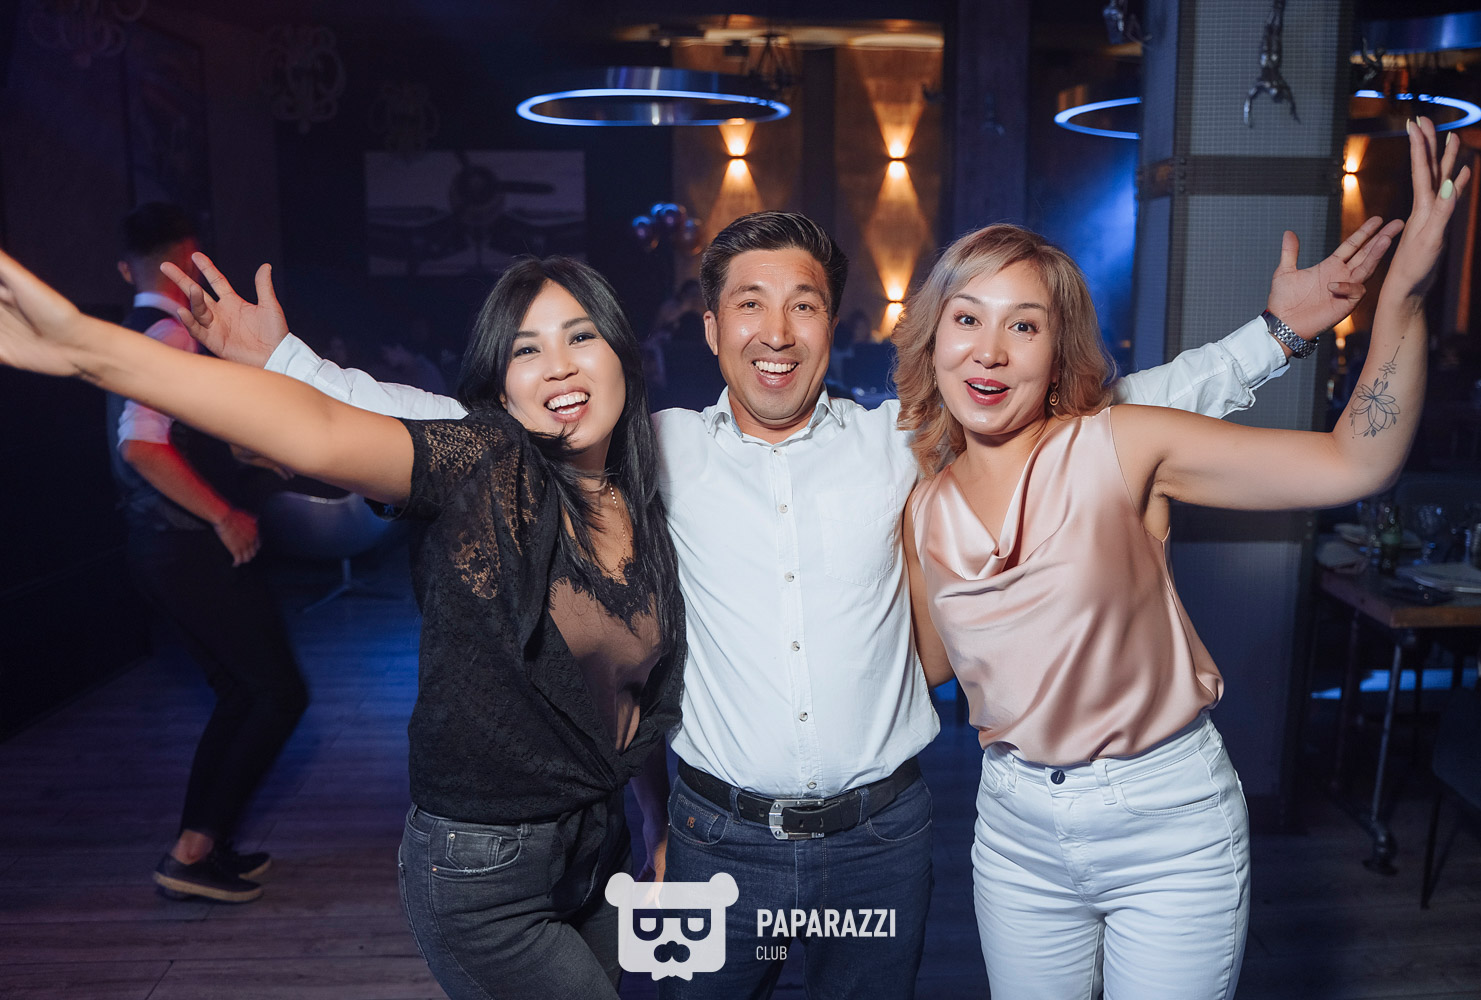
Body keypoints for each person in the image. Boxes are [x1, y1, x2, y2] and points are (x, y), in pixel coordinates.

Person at [154, 205, 1392, 999]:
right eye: (749, 302)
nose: (778, 329)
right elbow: (458, 432)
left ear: (830, 321)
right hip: (717, 841)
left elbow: (1104, 424)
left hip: (883, 840)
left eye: (803, 301)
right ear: (710, 328)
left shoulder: (900, 442)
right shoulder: (655, 456)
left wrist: (1273, 341)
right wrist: (289, 366)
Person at [0, 252, 686, 999]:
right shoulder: (485, 465)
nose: (557, 366)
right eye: (526, 350)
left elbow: (625, 695)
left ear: (624, 354)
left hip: (600, 849)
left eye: (580, 337)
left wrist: (655, 822)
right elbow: (322, 429)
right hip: (486, 871)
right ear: (500, 390)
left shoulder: (649, 500)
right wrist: (87, 347)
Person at [894, 119, 1466, 1000]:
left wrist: (1406, 297)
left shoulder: (1120, 443)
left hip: (1165, 823)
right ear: (933, 339)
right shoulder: (923, 510)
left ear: (1057, 354)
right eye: (966, 319)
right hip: (1014, 832)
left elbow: (1357, 462)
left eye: (1024, 326)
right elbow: (927, 669)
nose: (990, 351)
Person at [107, 202, 306, 904]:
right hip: (186, 549)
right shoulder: (167, 332)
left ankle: (201, 846)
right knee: (277, 693)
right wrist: (224, 514)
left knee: (242, 692)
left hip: (157, 549)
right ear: (186, 262)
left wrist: (246, 457)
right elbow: (141, 446)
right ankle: (191, 852)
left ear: (125, 269)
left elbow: (169, 433)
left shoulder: (135, 331)